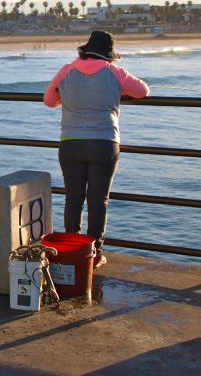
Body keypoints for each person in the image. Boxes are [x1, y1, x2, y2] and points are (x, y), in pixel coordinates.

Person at [44, 30, 149, 268]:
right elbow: (143, 91)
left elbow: (49, 101)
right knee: (98, 200)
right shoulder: (113, 71)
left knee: (74, 199)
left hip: (70, 143)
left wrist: (70, 98)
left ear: (85, 50)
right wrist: (115, 91)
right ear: (108, 55)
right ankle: (95, 254)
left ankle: (72, 251)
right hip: (104, 143)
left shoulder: (67, 70)